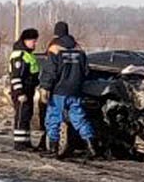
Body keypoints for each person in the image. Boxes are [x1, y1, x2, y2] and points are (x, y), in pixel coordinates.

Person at [38, 21, 99, 159]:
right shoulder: (79, 49)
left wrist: (45, 87)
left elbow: (50, 71)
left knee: (53, 118)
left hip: (59, 91)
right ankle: (92, 147)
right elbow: (86, 71)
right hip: (76, 91)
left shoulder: (54, 49)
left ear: (56, 33)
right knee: (79, 118)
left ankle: (53, 148)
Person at [8, 28, 40, 151]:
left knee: (27, 115)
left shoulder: (28, 54)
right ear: (26, 41)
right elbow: (16, 77)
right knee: (21, 115)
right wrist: (20, 92)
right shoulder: (19, 55)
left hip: (28, 90)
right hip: (22, 91)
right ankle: (19, 143)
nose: (35, 44)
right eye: (33, 41)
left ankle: (26, 141)